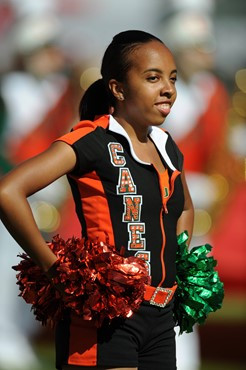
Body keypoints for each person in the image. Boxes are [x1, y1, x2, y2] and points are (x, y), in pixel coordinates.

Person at [0, 30, 194, 370]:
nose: (168, 89)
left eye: (172, 78)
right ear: (118, 88)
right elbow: (8, 191)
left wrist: (179, 259)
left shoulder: (167, 146)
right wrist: (55, 270)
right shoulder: (92, 139)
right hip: (106, 319)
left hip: (161, 321)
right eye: (153, 78)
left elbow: (185, 208)